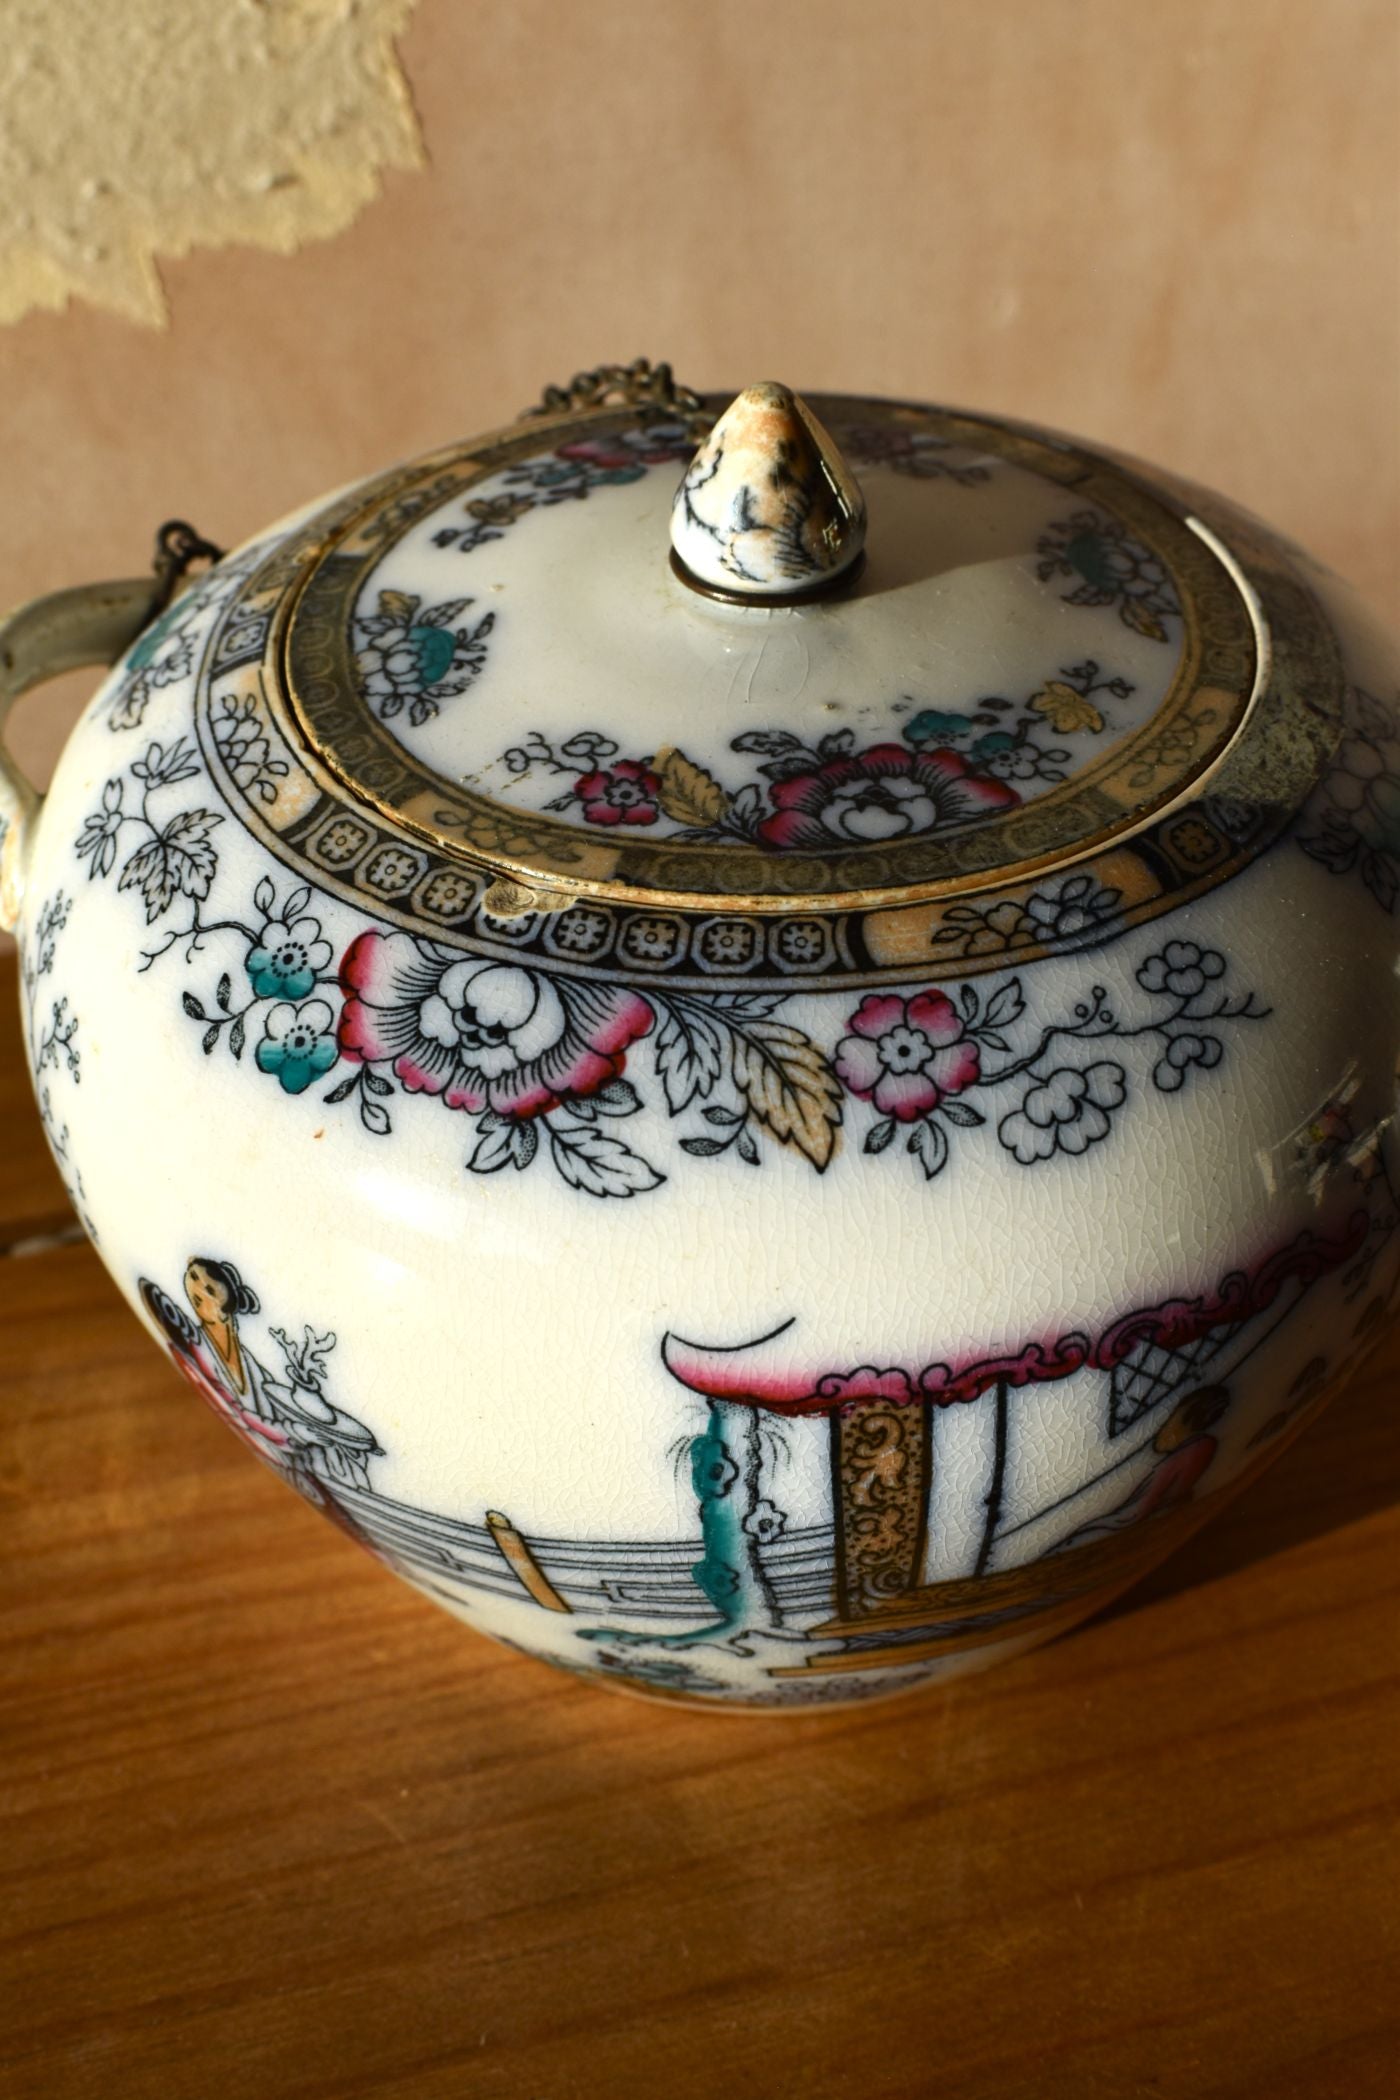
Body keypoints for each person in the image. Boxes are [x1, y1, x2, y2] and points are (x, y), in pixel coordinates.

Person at [1058, 1385, 1228, 1549]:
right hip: (1163, 1515)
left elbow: (1145, 1504)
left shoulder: (1190, 1451)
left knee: (1090, 1531)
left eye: (1177, 1416)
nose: (1169, 1424)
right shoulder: (1205, 1445)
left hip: (1146, 1516)